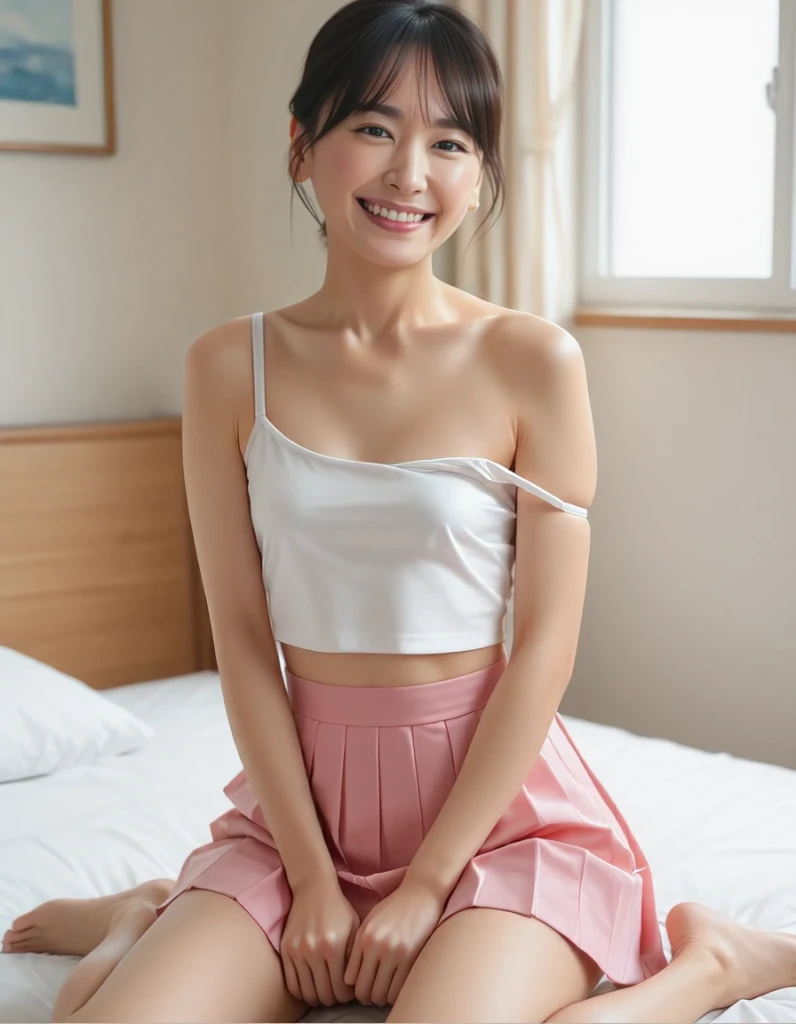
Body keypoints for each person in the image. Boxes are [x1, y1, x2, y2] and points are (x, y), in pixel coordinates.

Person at [5, 1, 796, 1022]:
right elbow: (241, 638)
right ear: (303, 144)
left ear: (480, 173)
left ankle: (713, 963)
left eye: (450, 143)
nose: (409, 173)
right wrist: (311, 877)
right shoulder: (227, 366)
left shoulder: (533, 362)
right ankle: (146, 911)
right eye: (374, 128)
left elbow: (544, 648)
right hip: (302, 821)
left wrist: (425, 885)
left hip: (497, 824)